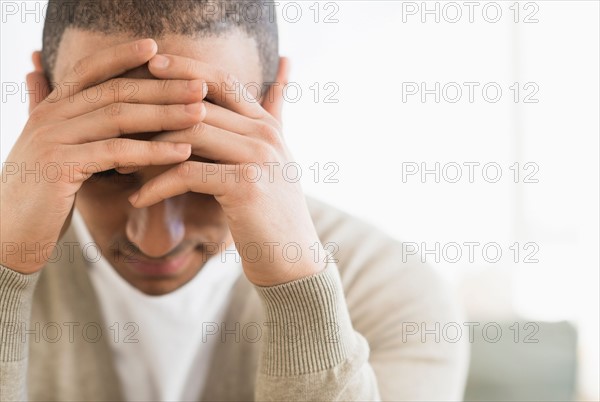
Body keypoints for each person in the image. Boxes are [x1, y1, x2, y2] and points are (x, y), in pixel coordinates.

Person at [0, 1, 469, 400]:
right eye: (106, 171)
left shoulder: (391, 298)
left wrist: (297, 289)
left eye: (207, 170)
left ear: (272, 106)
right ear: (39, 106)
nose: (157, 240)